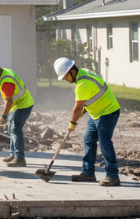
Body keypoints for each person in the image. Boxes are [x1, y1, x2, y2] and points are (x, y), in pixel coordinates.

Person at [55, 57, 122, 186]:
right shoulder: (82, 73)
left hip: (108, 112)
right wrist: (82, 113)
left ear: (72, 72)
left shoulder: (82, 84)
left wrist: (72, 124)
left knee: (104, 143)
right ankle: (88, 173)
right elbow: (90, 98)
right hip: (96, 113)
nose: (65, 80)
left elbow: (78, 107)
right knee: (88, 139)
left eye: (65, 77)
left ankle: (113, 176)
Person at [0, 59, 34, 166]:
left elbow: (9, 101)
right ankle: (13, 154)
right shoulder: (3, 72)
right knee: (11, 128)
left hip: (23, 104)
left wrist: (4, 116)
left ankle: (19, 158)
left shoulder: (6, 80)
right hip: (17, 104)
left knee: (16, 129)